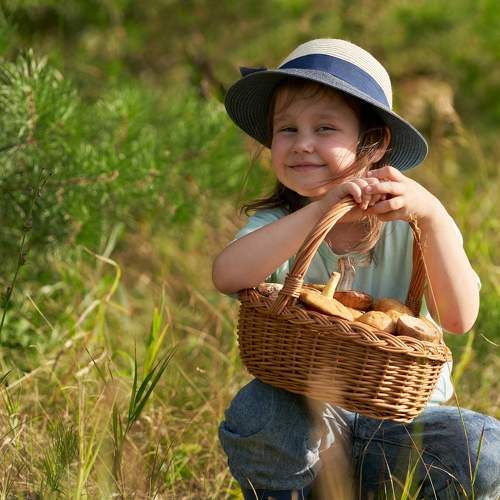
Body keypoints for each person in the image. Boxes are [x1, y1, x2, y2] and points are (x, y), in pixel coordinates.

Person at [212, 39, 500, 500]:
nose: (302, 143)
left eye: (325, 128)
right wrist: (320, 208)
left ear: (374, 142)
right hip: (307, 424)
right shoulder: (280, 226)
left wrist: (433, 216)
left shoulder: (412, 226)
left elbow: (458, 320)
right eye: (286, 129)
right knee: (260, 409)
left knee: (485, 448)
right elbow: (227, 275)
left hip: (402, 425)